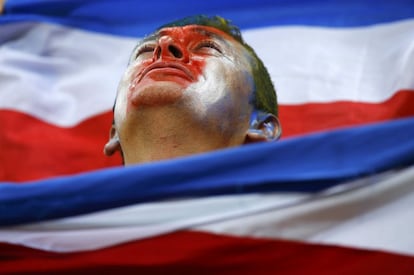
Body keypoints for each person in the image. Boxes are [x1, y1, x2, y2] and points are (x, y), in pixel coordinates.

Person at [104, 15, 281, 165]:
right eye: (146, 50)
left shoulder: (306, 203)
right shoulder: (79, 206)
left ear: (263, 128)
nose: (164, 45)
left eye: (208, 47)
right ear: (115, 134)